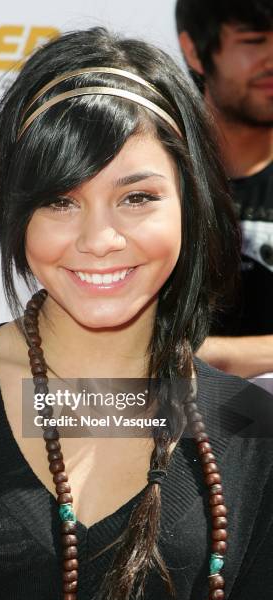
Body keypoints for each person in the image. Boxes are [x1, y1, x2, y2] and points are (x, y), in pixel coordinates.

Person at [0, 27, 273, 600]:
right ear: (16, 212)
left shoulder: (253, 429)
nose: (99, 240)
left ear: (190, 199)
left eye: (137, 197)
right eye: (60, 200)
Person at [176, 0, 273, 378]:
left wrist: (216, 355)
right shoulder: (148, 171)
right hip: (158, 423)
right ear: (195, 50)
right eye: (254, 41)